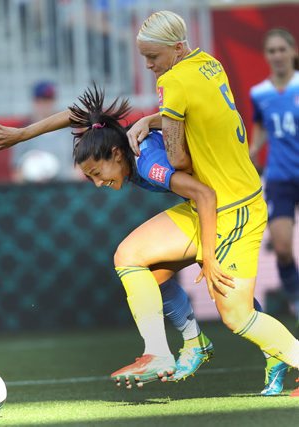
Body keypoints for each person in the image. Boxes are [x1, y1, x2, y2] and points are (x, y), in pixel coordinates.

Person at [0, 84, 235, 386]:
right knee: (152, 276)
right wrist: (23, 135)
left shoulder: (145, 160)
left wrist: (208, 255)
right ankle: (191, 343)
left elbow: (204, 192)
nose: (98, 184)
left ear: (114, 154)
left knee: (237, 311)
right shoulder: (119, 143)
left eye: (97, 175)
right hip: (209, 205)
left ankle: (166, 351)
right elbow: (83, 116)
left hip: (228, 206)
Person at [127, 10, 299, 397]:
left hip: (231, 206)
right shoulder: (209, 64)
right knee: (134, 256)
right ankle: (173, 346)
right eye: (145, 58)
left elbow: (179, 160)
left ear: (175, 48)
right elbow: (202, 114)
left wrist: (151, 155)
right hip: (231, 195)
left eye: (152, 57)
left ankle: (281, 353)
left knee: (237, 316)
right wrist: (152, 120)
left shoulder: (172, 80)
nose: (149, 65)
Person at [249, 28, 299, 325]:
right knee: (281, 246)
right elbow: (261, 128)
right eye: (272, 51)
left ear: (293, 51)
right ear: (266, 56)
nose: (278, 55)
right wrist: (253, 150)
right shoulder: (259, 93)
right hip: (280, 177)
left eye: (282, 49)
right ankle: (295, 297)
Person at [11, 81, 81, 183]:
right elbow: (17, 173)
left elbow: (78, 168)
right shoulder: (23, 133)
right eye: (41, 100)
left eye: (48, 100)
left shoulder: (68, 132)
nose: (45, 105)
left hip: (64, 189)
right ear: (35, 102)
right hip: (35, 191)